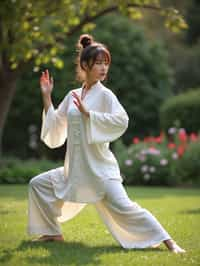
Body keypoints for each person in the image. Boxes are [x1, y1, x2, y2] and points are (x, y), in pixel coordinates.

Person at [27, 34, 185, 253]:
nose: (103, 68)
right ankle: (53, 233)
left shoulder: (106, 95)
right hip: (75, 170)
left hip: (101, 170)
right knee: (38, 184)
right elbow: (56, 127)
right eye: (98, 63)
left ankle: (169, 242)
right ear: (84, 65)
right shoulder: (73, 95)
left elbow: (122, 121)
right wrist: (46, 97)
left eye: (105, 63)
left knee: (125, 207)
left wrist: (89, 114)